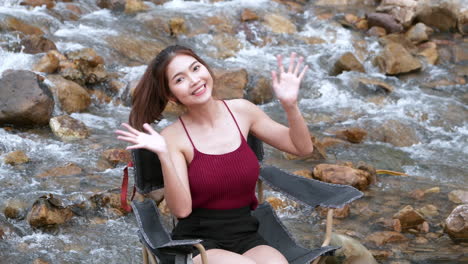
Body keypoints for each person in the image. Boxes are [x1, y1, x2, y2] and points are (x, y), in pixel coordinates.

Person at [115, 45, 313, 264]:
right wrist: (164, 155)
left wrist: (290, 105)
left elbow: (302, 148)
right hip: (198, 243)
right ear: (171, 96)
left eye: (196, 68)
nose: (194, 80)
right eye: (180, 79)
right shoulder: (173, 137)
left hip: (246, 235)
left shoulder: (243, 111)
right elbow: (181, 210)